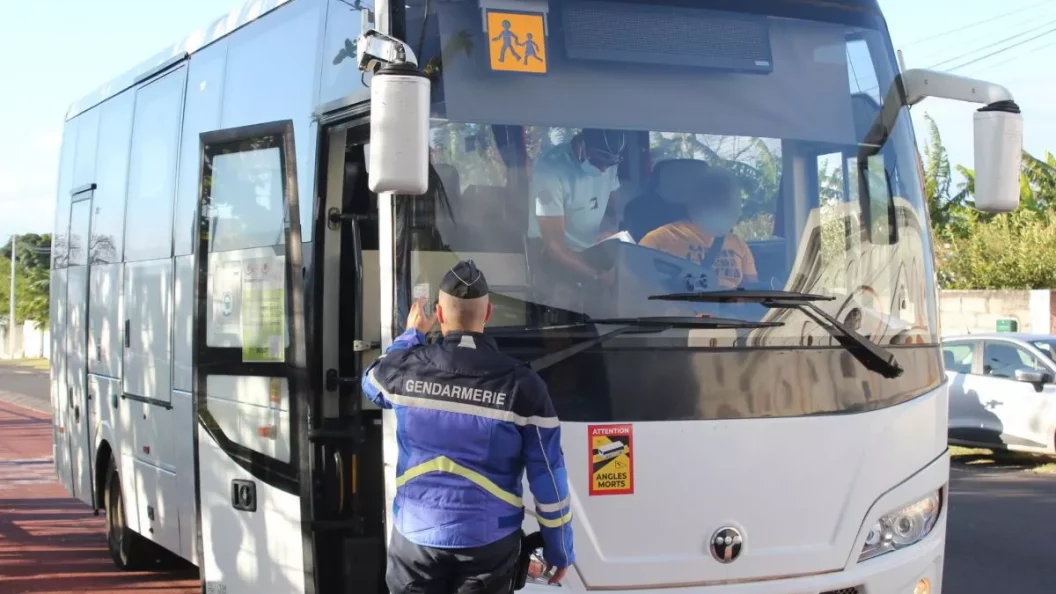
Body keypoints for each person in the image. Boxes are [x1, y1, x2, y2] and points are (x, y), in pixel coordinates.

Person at [362, 260, 574, 594]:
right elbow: (548, 475)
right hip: (489, 544)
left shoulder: (408, 368)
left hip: (416, 538)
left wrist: (411, 333)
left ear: (440, 315)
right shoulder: (523, 385)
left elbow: (371, 381)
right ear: (488, 314)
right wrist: (559, 546)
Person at [527, 128, 628, 289]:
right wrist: (596, 275)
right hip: (551, 256)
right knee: (565, 300)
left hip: (593, 249)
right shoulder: (549, 172)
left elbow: (610, 209)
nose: (603, 170)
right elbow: (554, 247)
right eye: (598, 161)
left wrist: (609, 231)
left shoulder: (609, 163)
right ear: (582, 143)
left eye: (610, 164)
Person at [638, 166, 758, 289]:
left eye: (734, 199)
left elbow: (751, 292)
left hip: (729, 306)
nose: (738, 210)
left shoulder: (738, 244)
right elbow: (637, 287)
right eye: (723, 197)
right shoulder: (657, 240)